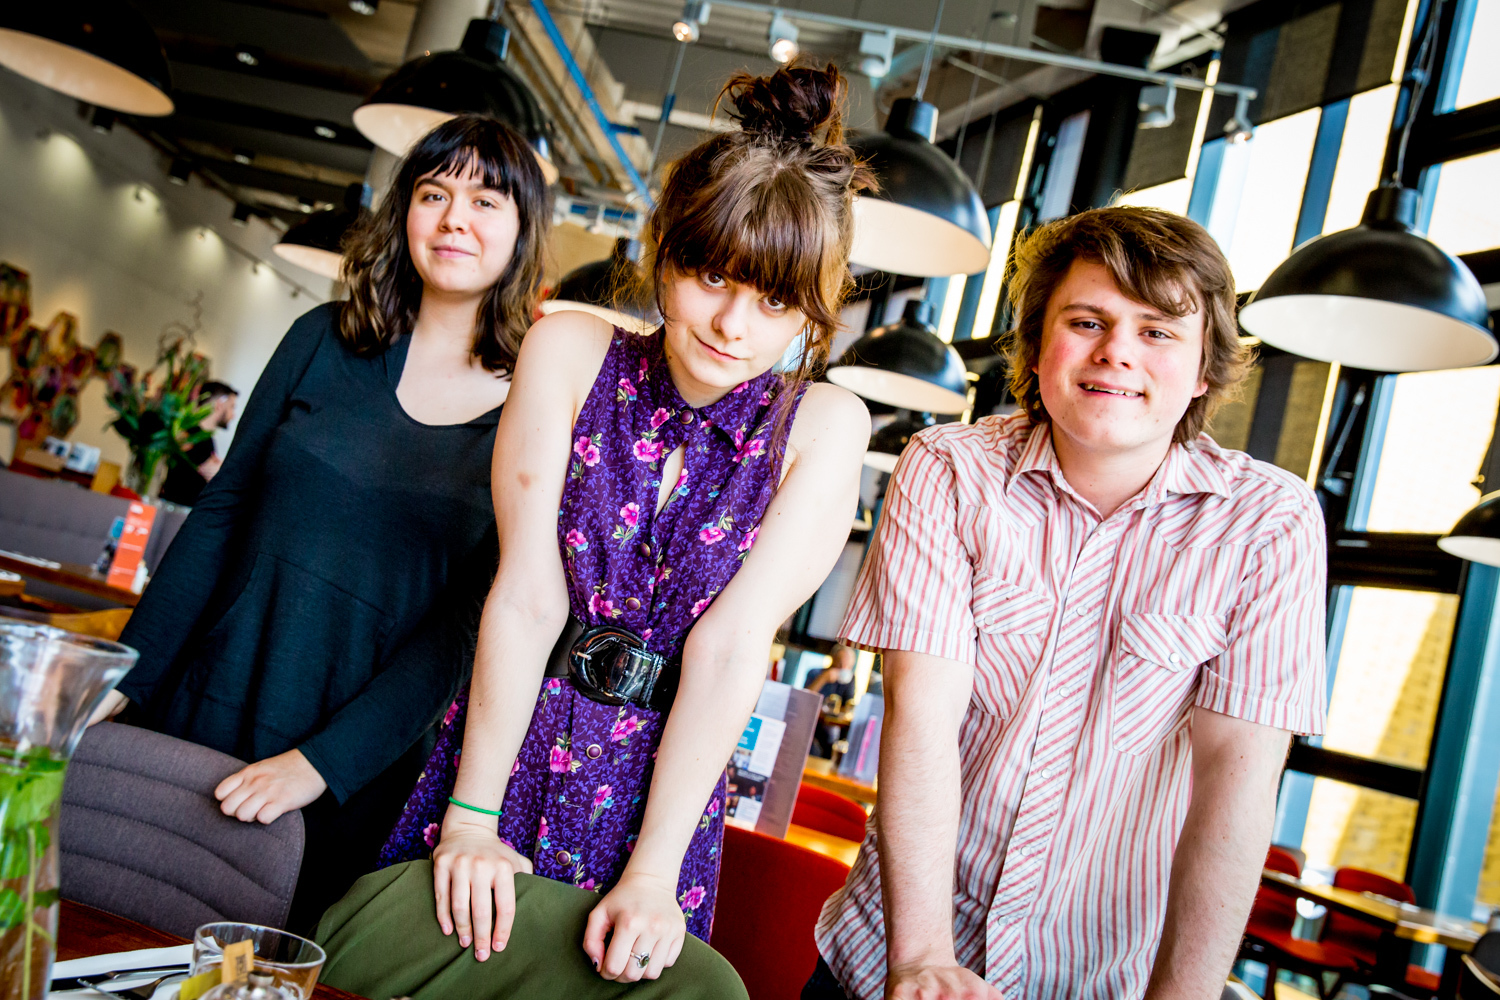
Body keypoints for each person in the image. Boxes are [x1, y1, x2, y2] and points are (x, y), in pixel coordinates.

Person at [376, 63, 871, 986]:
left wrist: (652, 874)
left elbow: (730, 648)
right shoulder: (569, 350)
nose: (732, 324)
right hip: (508, 744)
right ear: (664, 253)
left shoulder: (823, 425)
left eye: (774, 300)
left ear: (811, 307)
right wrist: (472, 817)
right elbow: (527, 594)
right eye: (712, 275)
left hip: (659, 801)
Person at [807, 207, 1327, 1000]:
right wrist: (922, 958)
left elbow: (1236, 783)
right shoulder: (949, 470)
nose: (1117, 350)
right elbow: (923, 719)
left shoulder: (1268, 524)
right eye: (1087, 322)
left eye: (1157, 331)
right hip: (885, 962)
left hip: (1096, 980)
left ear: (1204, 369)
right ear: (1036, 345)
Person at [93, 114, 552, 929]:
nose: (454, 218)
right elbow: (219, 515)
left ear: (522, 233)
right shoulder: (322, 338)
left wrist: (318, 765)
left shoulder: (533, 410)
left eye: (486, 202)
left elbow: (466, 627)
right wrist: (123, 677)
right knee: (119, 929)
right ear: (404, 212)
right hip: (208, 695)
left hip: (350, 765)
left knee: (264, 965)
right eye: (433, 194)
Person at [160, 380, 238, 506]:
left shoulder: (206, 439)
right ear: (219, 404)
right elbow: (215, 476)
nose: (233, 415)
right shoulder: (190, 436)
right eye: (232, 407)